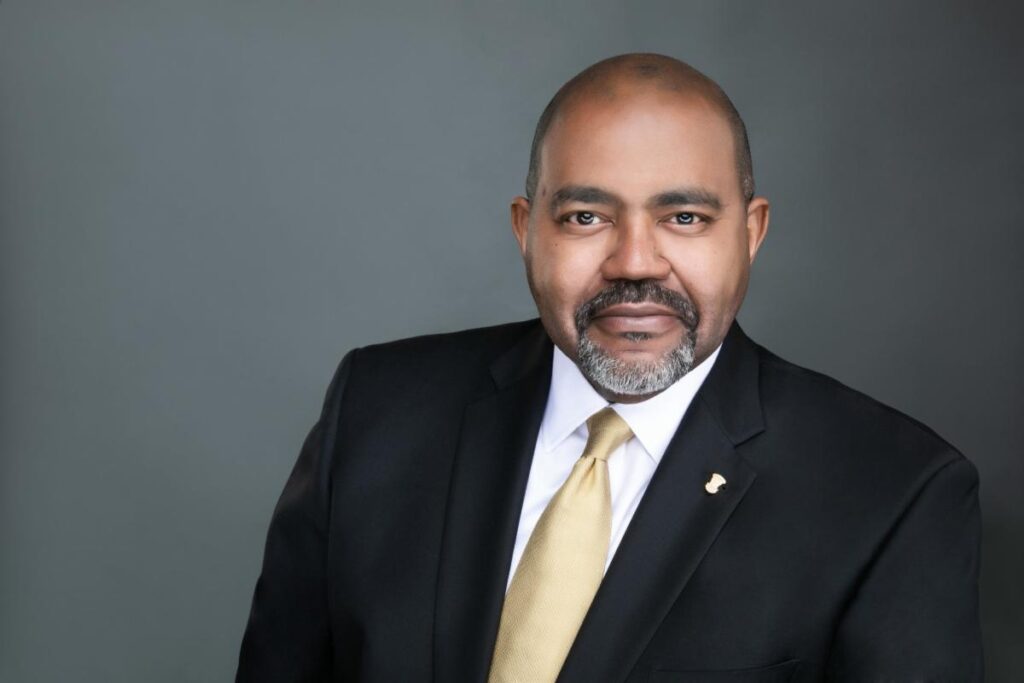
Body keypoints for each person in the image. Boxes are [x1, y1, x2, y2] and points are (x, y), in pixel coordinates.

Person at [235, 53, 982, 682]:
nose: (633, 262)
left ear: (750, 233)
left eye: (683, 217)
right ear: (528, 231)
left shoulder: (892, 494)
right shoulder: (376, 414)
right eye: (586, 217)